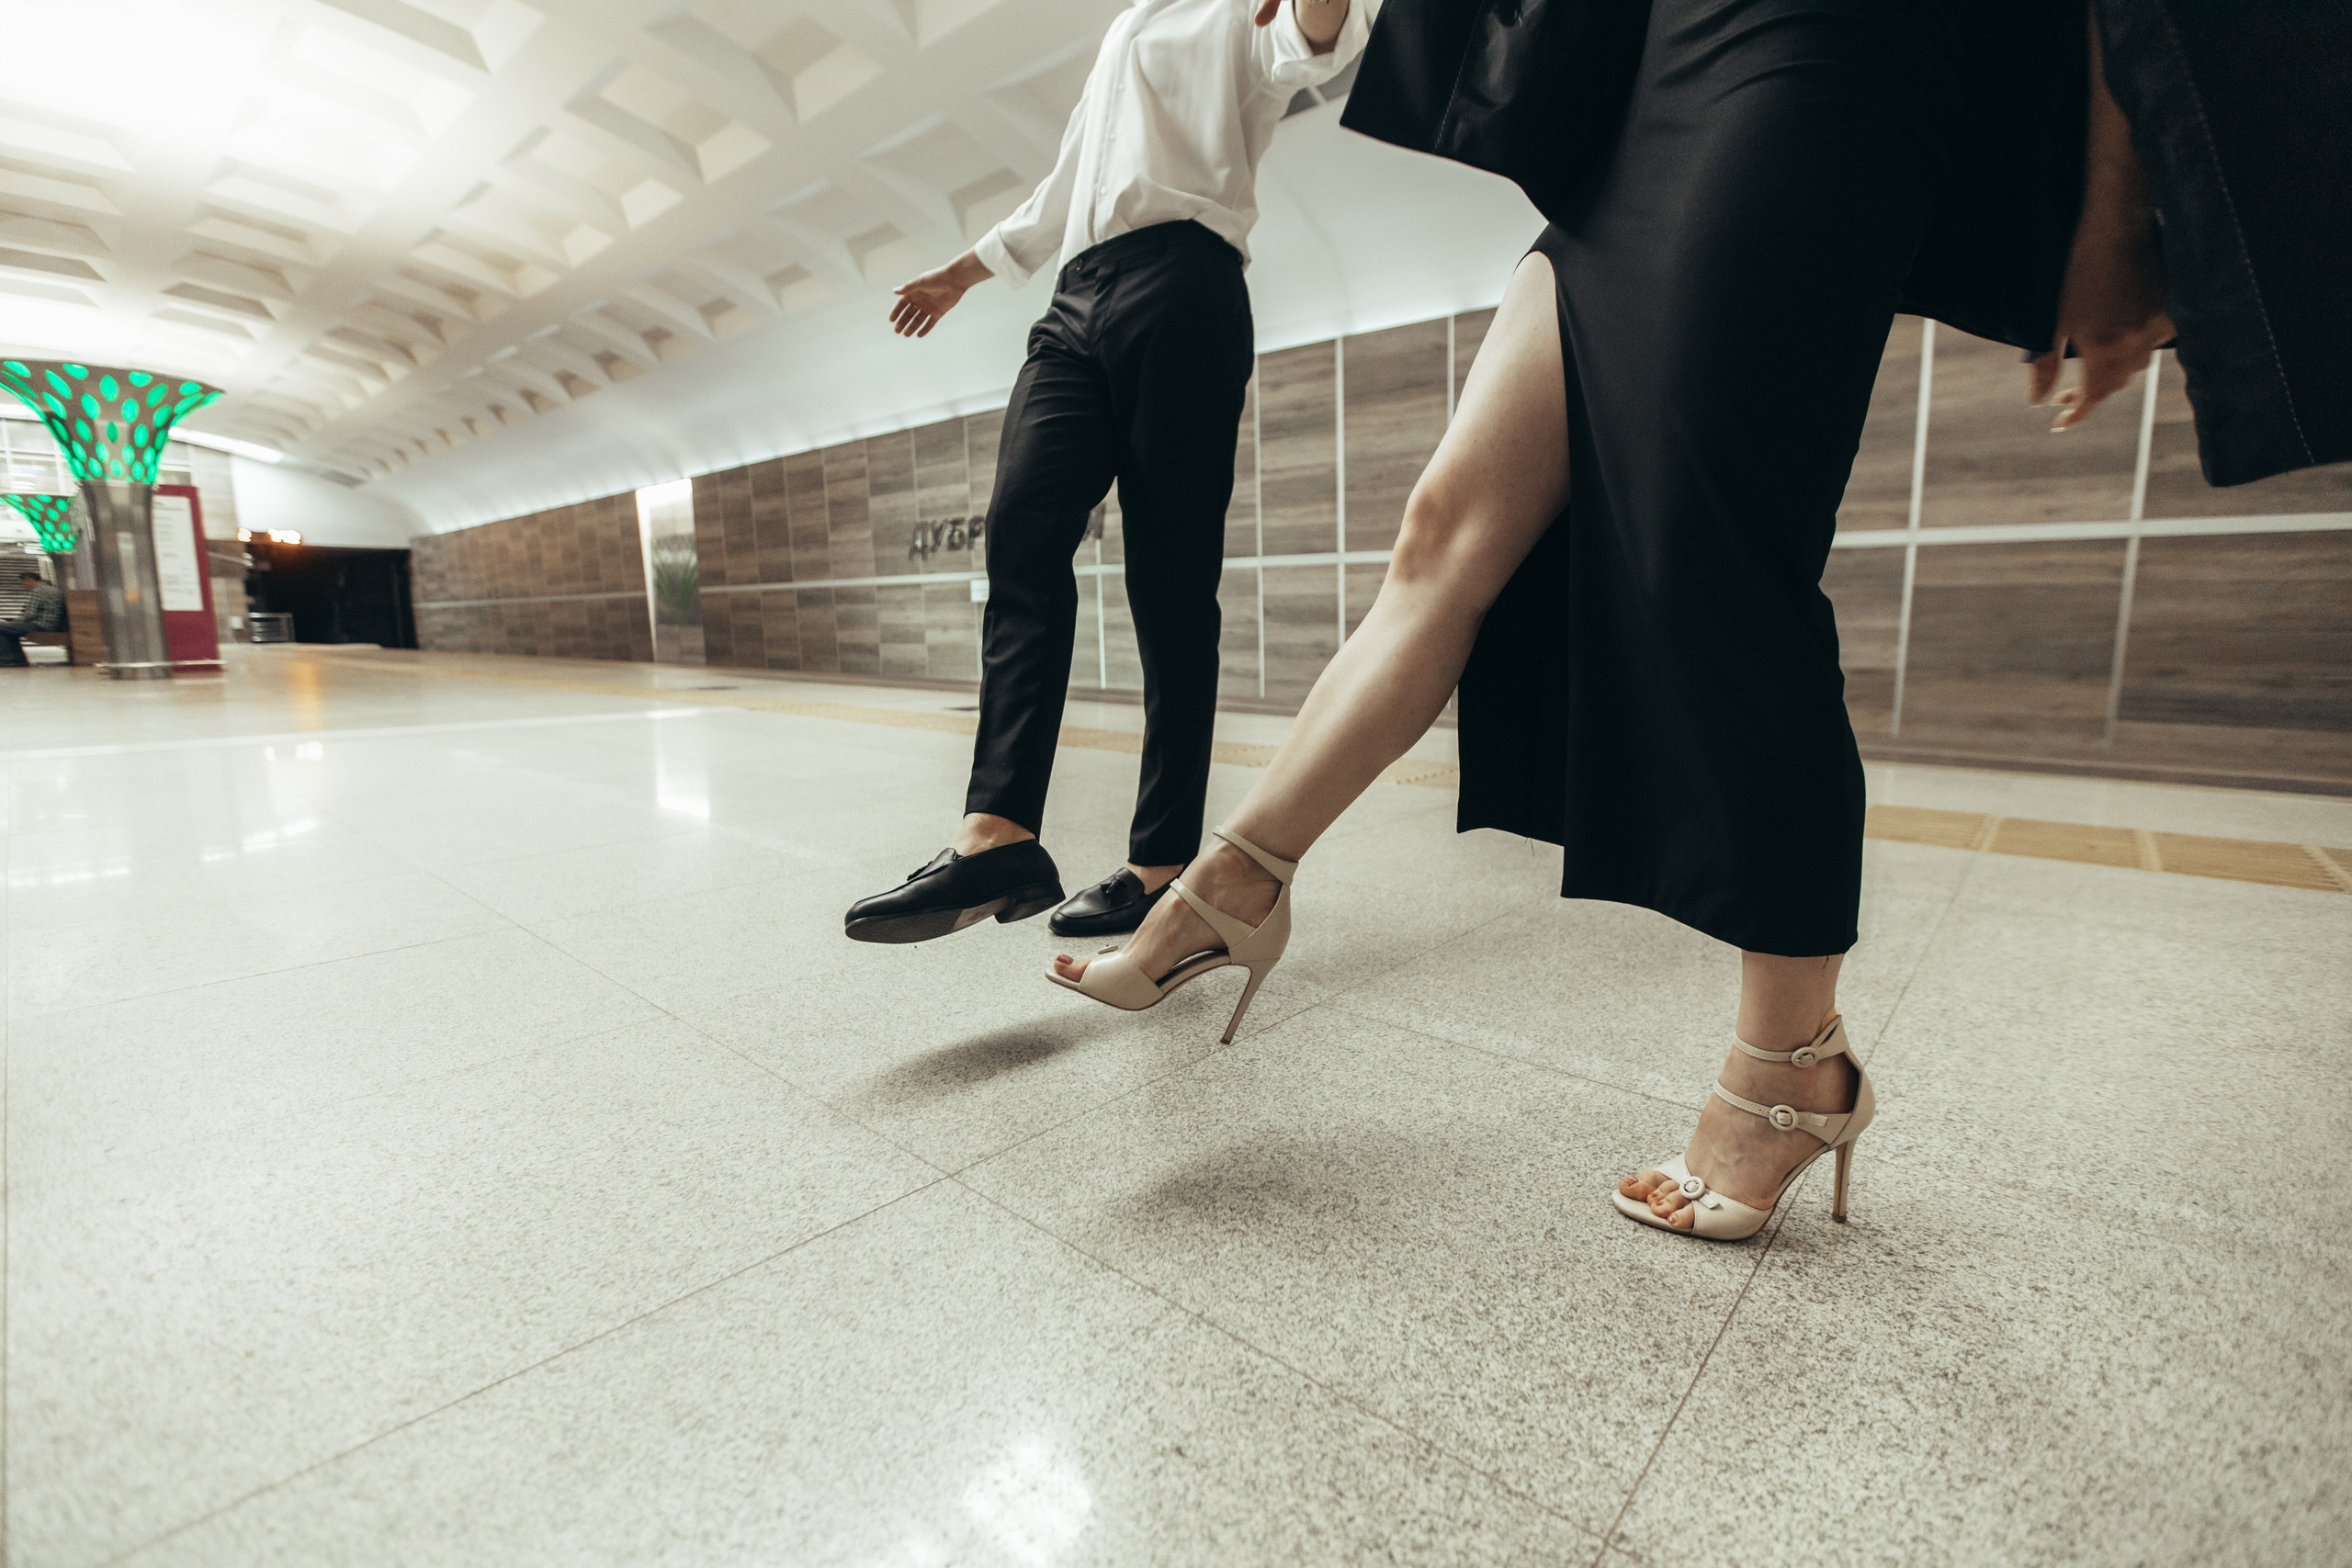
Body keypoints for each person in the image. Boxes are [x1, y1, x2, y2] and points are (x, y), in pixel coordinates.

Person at [1048, 0, 2345, 1240]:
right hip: (1647, 67)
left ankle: (1795, 1062)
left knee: (1715, 552)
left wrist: (2118, 213)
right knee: (1445, 530)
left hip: (1827, 48)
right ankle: (1238, 883)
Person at [842, 0, 1371, 948]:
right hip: (1074, 297)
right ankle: (998, 833)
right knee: (1020, 534)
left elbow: (1311, 42)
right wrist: (963, 272)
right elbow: (1068, 181)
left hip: (1186, 281)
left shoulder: (1233, 10)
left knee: (1168, 580)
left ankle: (1161, 863)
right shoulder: (1126, 24)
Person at [0, 569, 65, 666]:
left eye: (24, 584)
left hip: (41, 625)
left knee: (3, 628)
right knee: (9, 629)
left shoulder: (37, 591)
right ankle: (17, 659)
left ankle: (9, 660)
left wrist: (10, 623)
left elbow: (29, 615)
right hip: (52, 624)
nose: (24, 587)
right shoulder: (49, 589)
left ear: (30, 580)